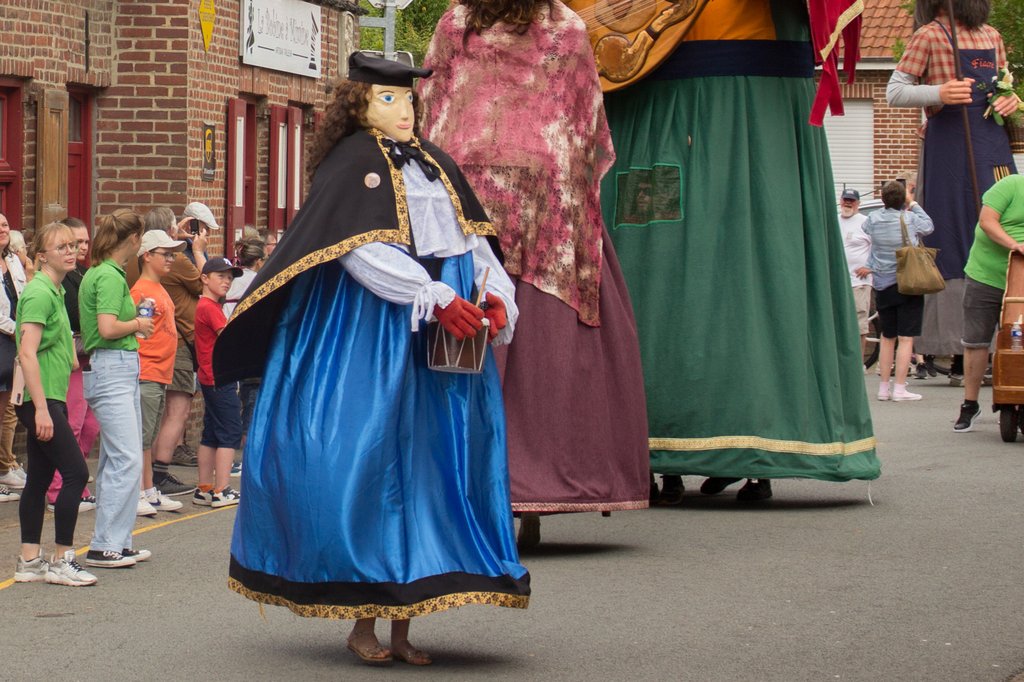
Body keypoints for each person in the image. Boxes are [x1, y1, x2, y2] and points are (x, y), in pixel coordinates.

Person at [215, 53, 530, 666]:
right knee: (372, 465)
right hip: (375, 334)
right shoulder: (351, 164)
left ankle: (408, 622)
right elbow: (358, 252)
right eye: (390, 100)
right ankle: (362, 620)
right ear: (358, 105)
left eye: (410, 101)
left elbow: (474, 241)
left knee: (434, 470)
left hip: (444, 347)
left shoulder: (438, 165)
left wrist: (495, 298)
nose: (405, 111)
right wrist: (428, 295)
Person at [601, 0, 881, 502]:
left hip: (736, 87)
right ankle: (663, 449)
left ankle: (707, 451)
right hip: (645, 78)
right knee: (662, 270)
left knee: (680, 272)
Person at [418, 0, 649, 540]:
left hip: (466, 191)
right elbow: (585, 121)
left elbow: (429, 108)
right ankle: (536, 495)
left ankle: (460, 486)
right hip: (549, 197)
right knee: (545, 347)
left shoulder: (456, 23)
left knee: (464, 334)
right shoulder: (567, 28)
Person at [886, 0, 1020, 386]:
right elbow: (896, 92)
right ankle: (954, 349)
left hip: (991, 144)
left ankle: (1005, 336)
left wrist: (1010, 100)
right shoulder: (930, 35)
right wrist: (939, 91)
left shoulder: (992, 37)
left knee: (1005, 225)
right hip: (949, 149)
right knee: (952, 234)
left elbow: (1005, 85)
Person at [13, 221, 97, 586]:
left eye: (72, 245)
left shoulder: (56, 291)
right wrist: (42, 409)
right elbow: (26, 353)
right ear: (42, 255)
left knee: (40, 478)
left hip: (49, 396)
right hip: (41, 398)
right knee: (76, 473)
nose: (70, 251)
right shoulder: (39, 294)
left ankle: (29, 560)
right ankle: (62, 559)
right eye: (60, 246)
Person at [79, 208, 154, 569]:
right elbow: (108, 328)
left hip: (112, 368)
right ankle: (106, 543)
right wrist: (138, 321)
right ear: (134, 239)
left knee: (116, 458)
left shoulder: (102, 272)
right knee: (126, 458)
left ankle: (116, 541)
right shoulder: (109, 276)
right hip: (113, 366)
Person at [139, 207, 206, 495]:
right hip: (176, 344)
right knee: (177, 410)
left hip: (172, 344)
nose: (171, 256)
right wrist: (197, 248)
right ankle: (158, 473)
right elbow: (207, 280)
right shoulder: (175, 262)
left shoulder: (152, 268)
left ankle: (151, 478)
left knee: (160, 415)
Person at [953, 174, 1024, 432]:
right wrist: (1014, 245)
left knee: (1019, 342)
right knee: (976, 341)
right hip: (986, 275)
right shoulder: (1010, 185)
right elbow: (987, 222)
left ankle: (1016, 394)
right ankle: (970, 404)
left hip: (1022, 281)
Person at [855, 181, 935, 401]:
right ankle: (899, 388)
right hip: (908, 282)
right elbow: (928, 226)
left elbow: (865, 229)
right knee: (906, 338)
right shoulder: (909, 218)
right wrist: (913, 203)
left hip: (882, 283)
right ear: (903, 199)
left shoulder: (872, 219)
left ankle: (883, 388)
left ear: (882, 199)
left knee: (887, 336)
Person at [43, 217, 98, 513]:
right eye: (73, 243)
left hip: (89, 355)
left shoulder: (84, 273)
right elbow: (75, 316)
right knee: (72, 424)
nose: (79, 248)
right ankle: (57, 489)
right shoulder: (59, 280)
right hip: (70, 358)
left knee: (91, 425)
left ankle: (76, 481)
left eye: (84, 242)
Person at [131, 230, 187, 514]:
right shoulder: (142, 291)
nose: (171, 259)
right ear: (147, 256)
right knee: (141, 436)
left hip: (159, 373)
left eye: (173, 254)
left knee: (148, 436)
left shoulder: (159, 288)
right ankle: (138, 492)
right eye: (165, 254)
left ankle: (149, 490)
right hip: (148, 371)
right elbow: (139, 335)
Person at [192, 257, 243, 508]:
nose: (226, 281)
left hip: (209, 376)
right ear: (205, 278)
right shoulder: (210, 308)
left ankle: (204, 487)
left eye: (229, 277)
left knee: (212, 432)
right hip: (219, 377)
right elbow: (230, 340)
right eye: (220, 276)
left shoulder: (206, 306)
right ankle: (222, 489)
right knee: (230, 432)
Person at [224, 237, 266, 478]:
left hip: (224, 335)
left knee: (232, 398)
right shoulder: (258, 280)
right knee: (250, 400)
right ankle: (244, 455)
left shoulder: (231, 278)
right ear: (259, 261)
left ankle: (233, 454)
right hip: (247, 341)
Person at [0, 212, 28, 499]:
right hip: (5, 338)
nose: (2, 229)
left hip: (12, 344)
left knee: (5, 412)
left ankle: (4, 467)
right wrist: (16, 330)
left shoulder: (13, 261)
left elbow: (23, 296)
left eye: (5, 224)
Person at [838, 189, 872, 362]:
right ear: (840, 200)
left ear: (858, 203)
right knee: (838, 324)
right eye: (846, 200)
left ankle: (858, 364)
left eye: (852, 200)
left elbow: (879, 248)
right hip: (836, 282)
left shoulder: (865, 222)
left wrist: (870, 267)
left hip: (858, 282)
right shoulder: (834, 220)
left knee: (859, 325)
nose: (848, 203)